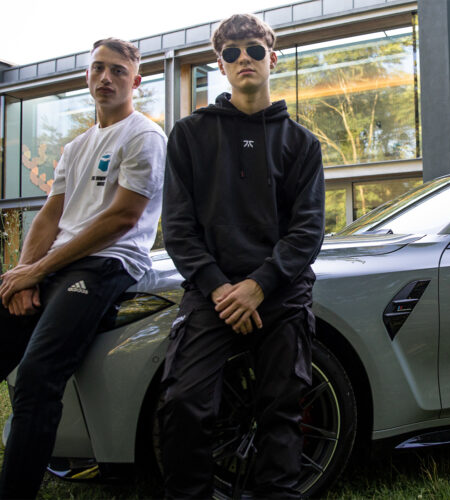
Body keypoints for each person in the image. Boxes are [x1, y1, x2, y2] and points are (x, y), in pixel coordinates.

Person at [159, 13, 325, 499]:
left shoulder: (302, 143)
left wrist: (258, 287)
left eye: (253, 50)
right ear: (221, 65)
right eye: (232, 53)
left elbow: (307, 230)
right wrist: (220, 287)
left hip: (279, 293)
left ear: (272, 58)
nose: (243, 59)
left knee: (281, 409)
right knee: (185, 402)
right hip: (213, 293)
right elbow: (179, 228)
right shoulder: (189, 135)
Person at [0, 38, 166, 499]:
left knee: (37, 377)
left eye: (117, 70)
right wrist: (22, 274)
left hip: (106, 264)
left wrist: (38, 271)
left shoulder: (144, 136)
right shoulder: (76, 146)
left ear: (136, 81)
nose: (105, 78)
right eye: (98, 69)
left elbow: (121, 219)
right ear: (86, 76)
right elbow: (51, 216)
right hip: (59, 264)